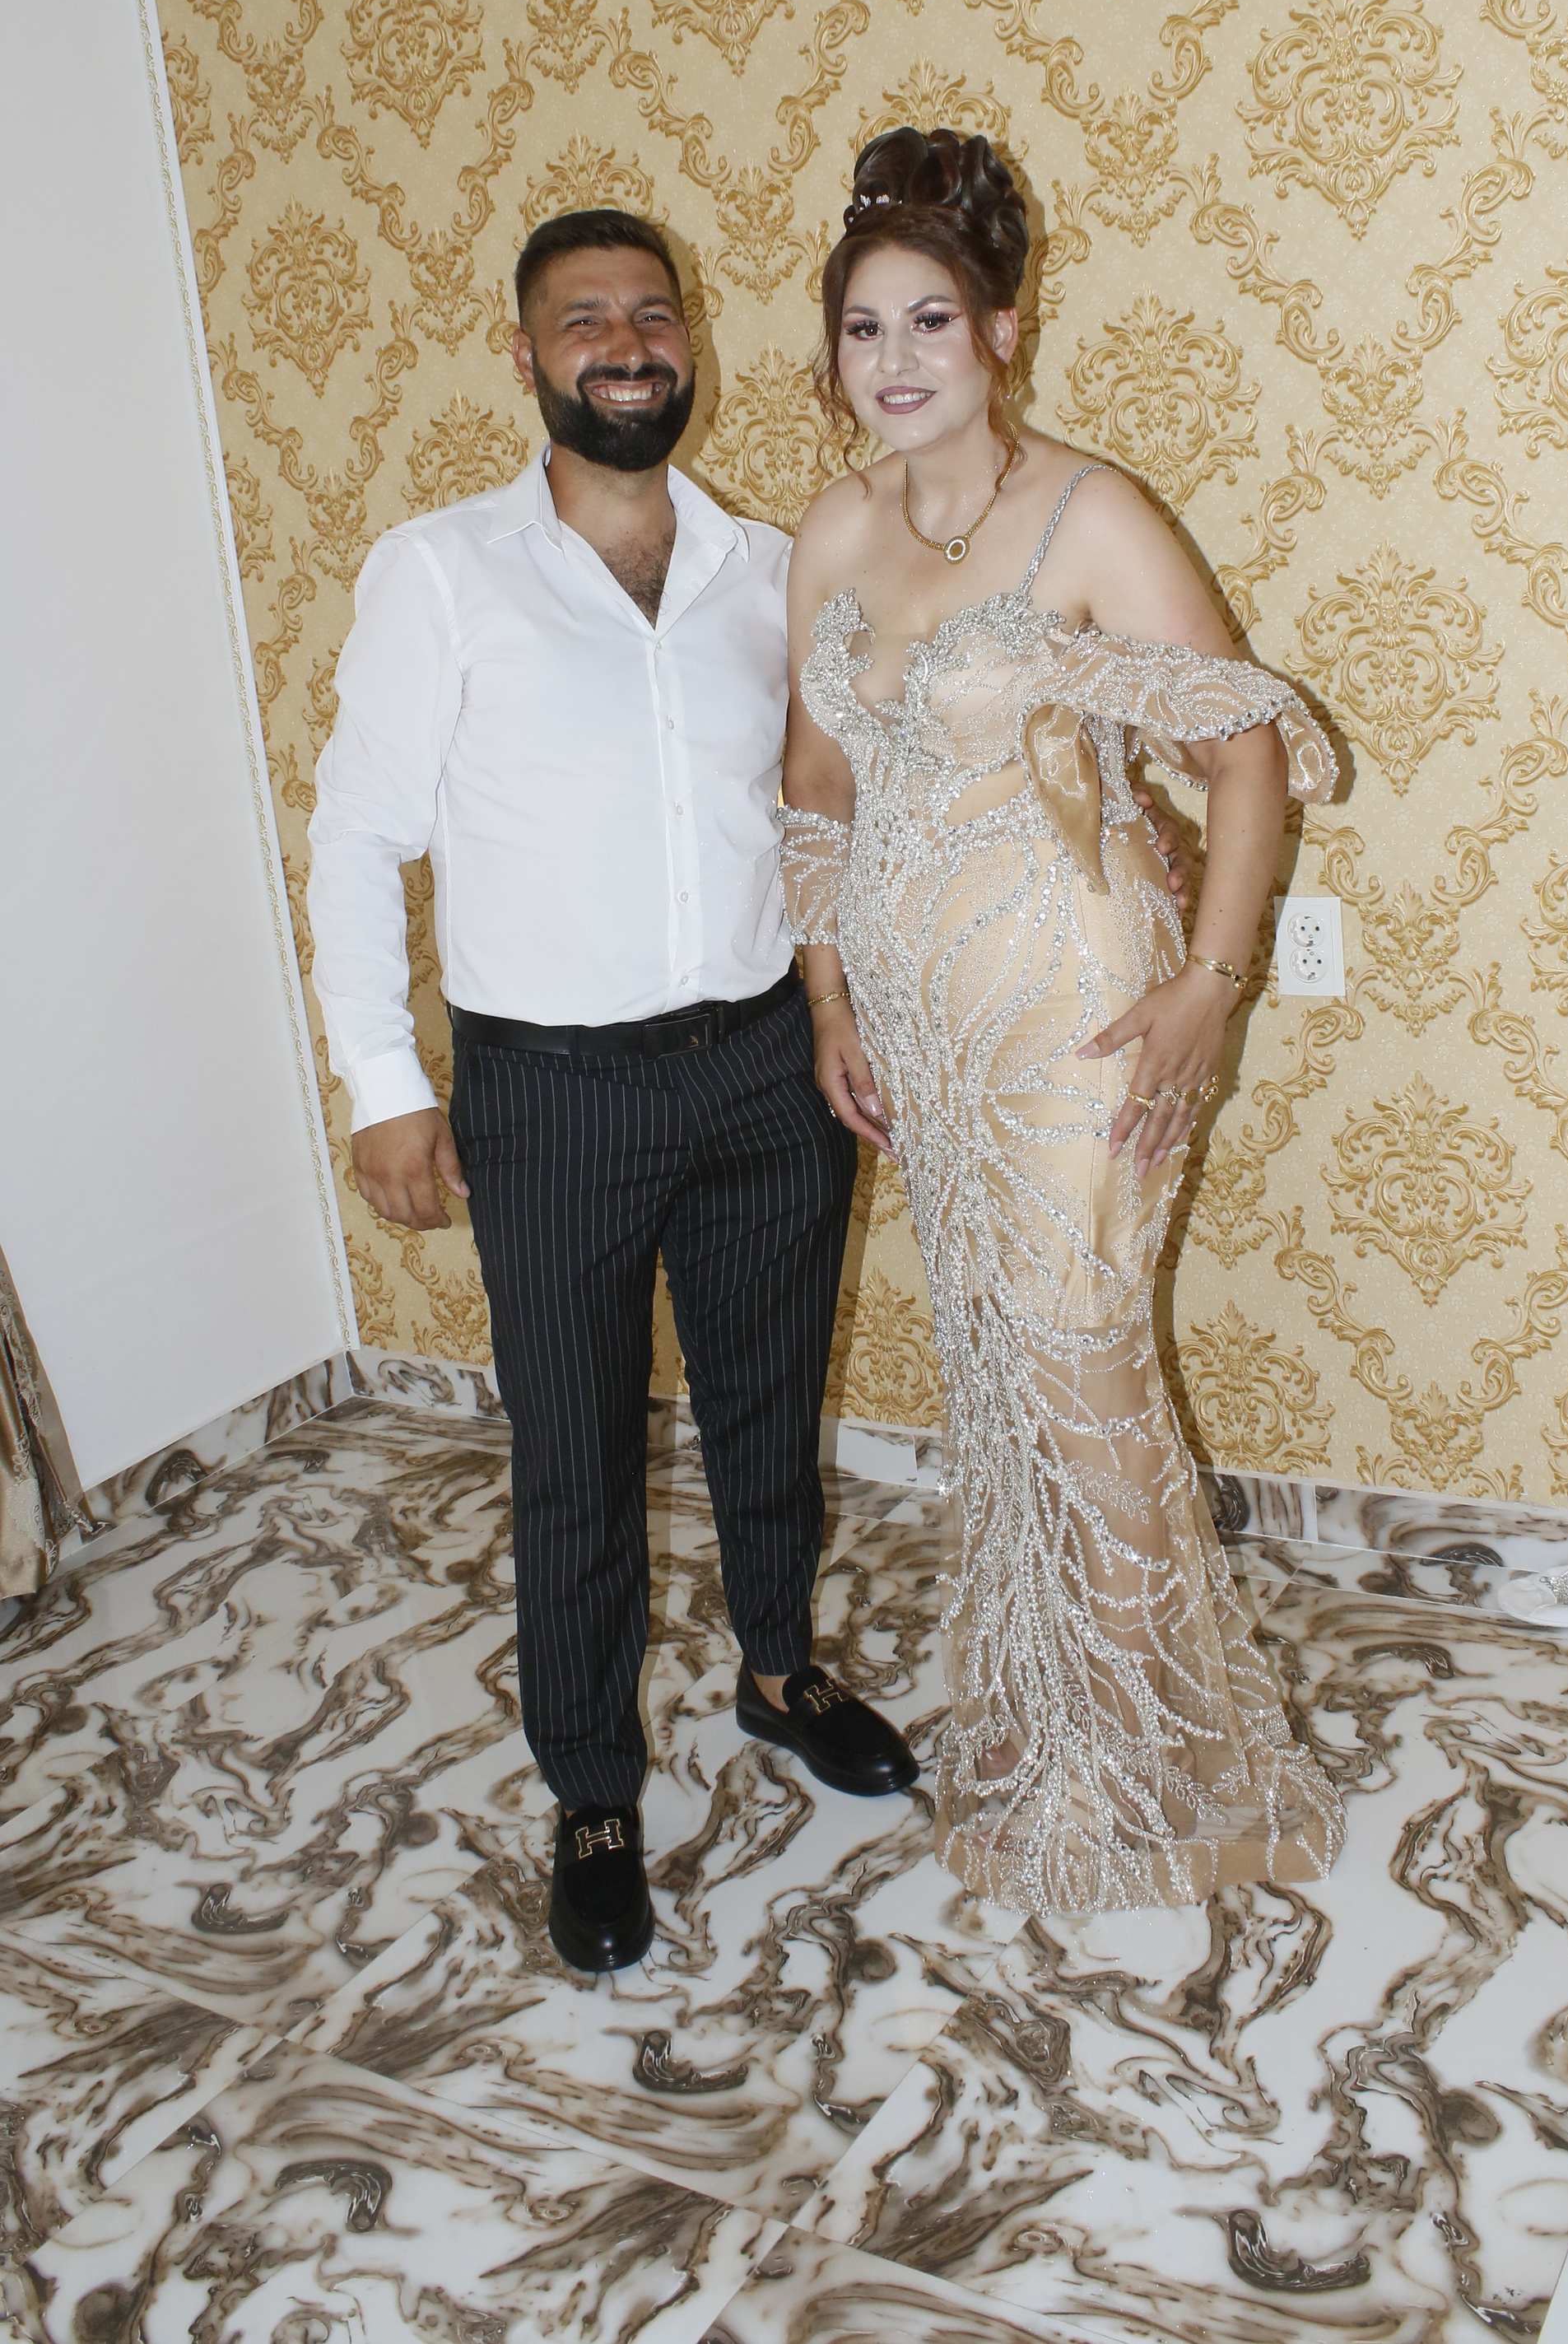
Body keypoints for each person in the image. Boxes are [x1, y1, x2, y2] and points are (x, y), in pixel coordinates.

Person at [306, 208, 922, 1978]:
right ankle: (590, 1790)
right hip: (551, 1092)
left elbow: (828, 803)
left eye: (652, 314)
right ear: (527, 357)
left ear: (690, 344)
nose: (626, 344)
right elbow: (357, 838)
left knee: (766, 1407)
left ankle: (781, 1672)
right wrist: (382, 1084)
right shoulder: (442, 572)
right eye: (585, 319)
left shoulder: (772, 568)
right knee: (574, 1454)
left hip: (761, 1069)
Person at [780, 128, 1345, 1918]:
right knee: (1008, 1374)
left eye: (930, 320)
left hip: (1077, 1009)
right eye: (863, 328)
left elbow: (1247, 752)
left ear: (1003, 331)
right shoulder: (834, 531)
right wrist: (829, 996)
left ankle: (1163, 1764)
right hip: (922, 1032)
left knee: (1078, 1357)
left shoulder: (1088, 515)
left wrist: (1210, 988)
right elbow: (817, 790)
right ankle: (1069, 1712)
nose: (895, 360)